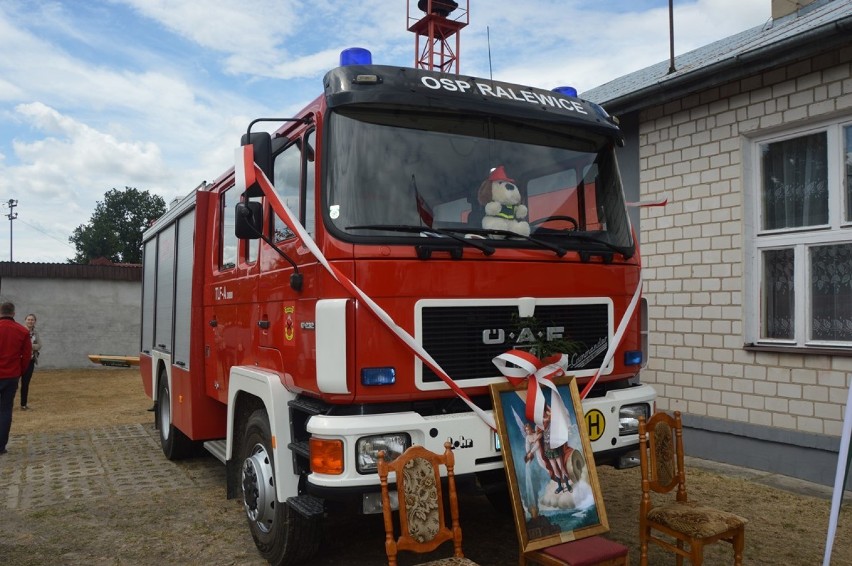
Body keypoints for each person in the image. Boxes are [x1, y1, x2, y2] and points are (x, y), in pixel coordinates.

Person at [0, 302, 32, 455]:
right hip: (11, 375)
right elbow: (26, 356)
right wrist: (19, 371)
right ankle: (1, 446)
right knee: (5, 410)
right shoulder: (22, 331)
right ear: (14, 313)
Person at [20, 313, 42, 410]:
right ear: (25, 320)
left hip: (30, 361)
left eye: (32, 320)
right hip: (19, 360)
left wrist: (28, 346)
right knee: (12, 383)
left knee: (25, 383)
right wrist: (31, 346)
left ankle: (23, 405)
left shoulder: (35, 333)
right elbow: (18, 345)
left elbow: (40, 345)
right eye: (28, 319)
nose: (30, 321)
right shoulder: (20, 330)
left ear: (34, 321)